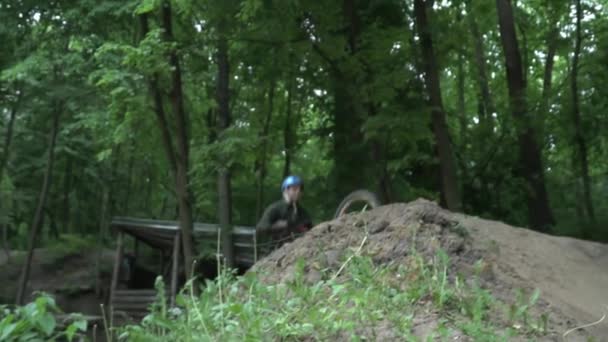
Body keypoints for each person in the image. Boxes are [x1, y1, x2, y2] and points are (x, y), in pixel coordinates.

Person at [256, 175, 313, 244]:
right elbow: (261, 228)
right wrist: (277, 226)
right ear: (286, 190)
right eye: (294, 189)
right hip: (275, 250)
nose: (298, 192)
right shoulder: (275, 208)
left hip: (298, 249)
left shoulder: (302, 212)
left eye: (300, 189)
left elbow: (310, 230)